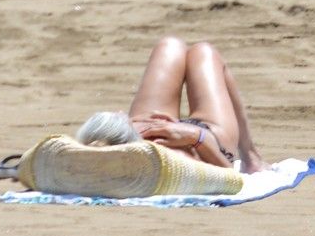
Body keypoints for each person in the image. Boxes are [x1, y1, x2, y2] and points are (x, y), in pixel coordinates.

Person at [76, 36, 270, 173]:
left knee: (169, 45)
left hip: (154, 130)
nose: (120, 111)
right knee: (204, 52)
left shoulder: (95, 150)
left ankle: (251, 155)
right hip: (207, 144)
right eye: (120, 118)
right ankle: (251, 157)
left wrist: (134, 123)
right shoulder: (167, 160)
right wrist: (195, 136)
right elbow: (227, 176)